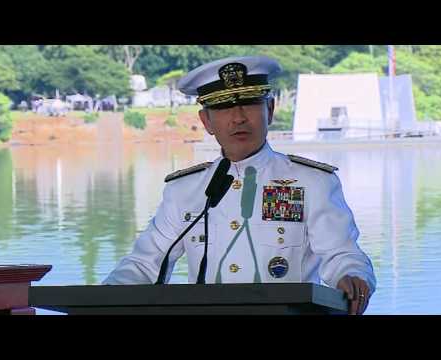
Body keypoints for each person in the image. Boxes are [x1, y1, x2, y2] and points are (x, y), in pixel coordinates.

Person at [103, 56, 376, 315]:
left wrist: (351, 276)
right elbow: (143, 264)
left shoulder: (311, 183)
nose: (238, 118)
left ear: (269, 110)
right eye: (222, 107)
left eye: (249, 103)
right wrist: (100, 300)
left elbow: (342, 253)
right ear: (206, 121)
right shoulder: (184, 191)